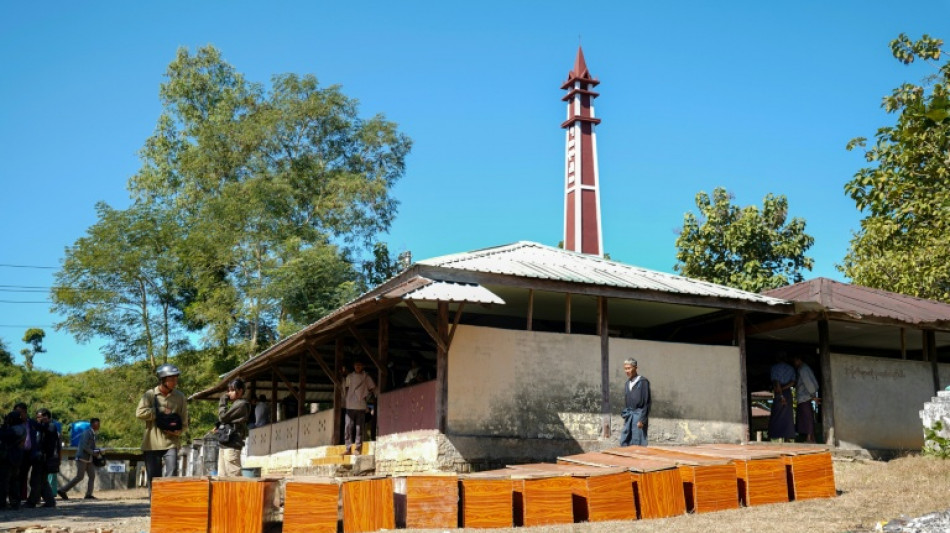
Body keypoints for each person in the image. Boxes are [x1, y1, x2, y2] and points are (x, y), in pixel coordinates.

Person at [136, 364, 188, 492]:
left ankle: (168, 502)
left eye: (176, 378)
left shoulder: (180, 397)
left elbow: (184, 420)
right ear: (163, 379)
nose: (175, 381)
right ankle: (154, 503)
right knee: (154, 479)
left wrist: (179, 431)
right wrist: (159, 411)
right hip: (151, 444)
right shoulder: (150, 395)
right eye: (172, 379)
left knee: (172, 474)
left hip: (171, 442)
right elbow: (139, 413)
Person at [58, 418, 101, 500]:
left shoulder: (93, 433)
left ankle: (89, 494)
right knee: (79, 477)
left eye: (99, 424)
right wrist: (93, 452)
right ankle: (62, 490)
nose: (99, 425)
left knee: (92, 475)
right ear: (92, 424)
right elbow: (84, 446)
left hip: (89, 458)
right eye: (97, 424)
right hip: (82, 458)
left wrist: (97, 450)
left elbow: (91, 446)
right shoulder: (87, 433)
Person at [216, 378, 251, 477]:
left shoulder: (241, 404)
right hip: (225, 444)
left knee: (234, 477)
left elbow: (223, 417)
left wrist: (223, 400)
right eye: (229, 390)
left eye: (232, 390)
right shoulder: (236, 404)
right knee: (222, 477)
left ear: (240, 391)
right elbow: (226, 420)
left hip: (233, 444)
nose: (229, 393)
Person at [25, 408, 58, 508]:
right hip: (40, 458)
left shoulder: (50, 426)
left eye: (40, 417)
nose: (39, 419)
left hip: (44, 458)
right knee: (42, 481)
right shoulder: (43, 427)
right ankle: (50, 501)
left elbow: (43, 430)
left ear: (46, 417)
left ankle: (32, 501)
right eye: (37, 418)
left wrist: (34, 422)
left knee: (36, 480)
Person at [343, 360, 376, 455]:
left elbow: (372, 388)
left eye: (360, 365)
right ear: (353, 366)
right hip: (350, 405)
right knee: (348, 427)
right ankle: (348, 448)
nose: (358, 366)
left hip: (361, 406)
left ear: (363, 366)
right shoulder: (349, 377)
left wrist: (366, 396)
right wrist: (347, 400)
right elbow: (346, 389)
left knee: (359, 428)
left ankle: (358, 448)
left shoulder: (366, 377)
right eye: (356, 365)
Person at [619, 358, 651, 446]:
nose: (627, 371)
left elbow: (647, 402)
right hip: (629, 415)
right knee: (625, 440)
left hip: (638, 416)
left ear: (635, 368)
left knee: (638, 442)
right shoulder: (627, 384)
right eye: (625, 369)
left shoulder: (643, 382)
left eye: (629, 368)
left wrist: (642, 420)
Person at [0, 410, 27, 510]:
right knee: (14, 481)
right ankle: (15, 502)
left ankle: (2, 503)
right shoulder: (21, 428)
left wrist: (4, 426)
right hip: (17, 457)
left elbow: (3, 436)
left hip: (9, 458)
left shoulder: (15, 429)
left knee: (4, 481)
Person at [768, 353, 797, 441]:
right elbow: (793, 382)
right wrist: (784, 389)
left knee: (777, 414)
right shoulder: (791, 368)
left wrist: (780, 394)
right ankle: (787, 437)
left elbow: (776, 382)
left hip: (778, 391)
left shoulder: (775, 368)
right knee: (787, 415)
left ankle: (776, 436)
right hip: (787, 392)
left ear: (777, 359)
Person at [792, 355, 820, 442]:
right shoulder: (804, 368)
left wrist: (813, 396)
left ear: (799, 360)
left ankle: (809, 438)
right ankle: (811, 438)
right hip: (804, 397)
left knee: (807, 418)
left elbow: (808, 383)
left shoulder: (803, 369)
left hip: (805, 397)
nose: (794, 363)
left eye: (795, 361)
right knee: (806, 418)